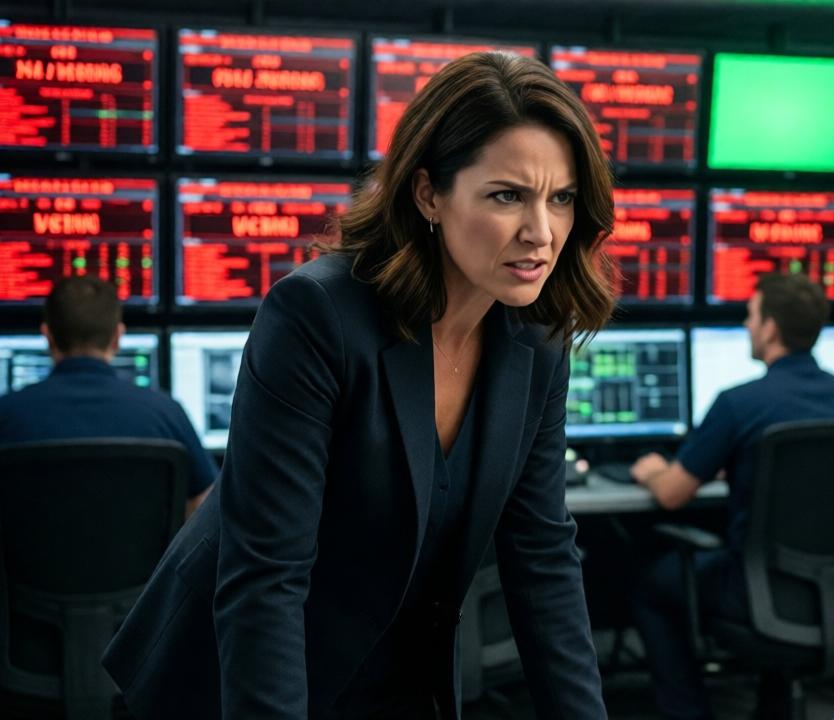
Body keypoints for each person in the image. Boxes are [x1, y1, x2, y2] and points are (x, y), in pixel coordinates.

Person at [103, 52, 614, 719]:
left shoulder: (536, 340)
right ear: (429, 194)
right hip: (236, 682)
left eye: (562, 198)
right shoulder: (316, 315)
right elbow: (267, 576)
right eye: (506, 195)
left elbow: (542, 559)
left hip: (398, 680)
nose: (540, 232)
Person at [628, 273, 834, 720]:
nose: (748, 327)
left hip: (754, 593)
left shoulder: (739, 403)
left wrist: (654, 470)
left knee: (650, 583)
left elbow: (673, 495)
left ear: (770, 328)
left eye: (752, 317)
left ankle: (688, 713)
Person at [0, 276, 214, 518]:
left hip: (28, 557)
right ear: (118, 337)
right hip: (145, 557)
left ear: (47, 336)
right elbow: (206, 504)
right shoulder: (166, 414)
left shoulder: (6, 416)